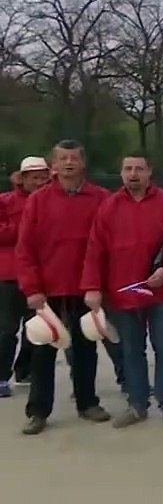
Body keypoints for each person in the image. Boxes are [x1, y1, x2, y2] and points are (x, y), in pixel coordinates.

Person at [82, 152, 163, 428]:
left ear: (149, 172)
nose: (133, 174)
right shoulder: (108, 208)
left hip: (162, 292)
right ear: (121, 173)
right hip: (122, 292)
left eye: (139, 169)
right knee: (131, 350)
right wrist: (92, 287)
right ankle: (137, 404)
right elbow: (95, 250)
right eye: (128, 169)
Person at [14, 140, 113, 435]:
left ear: (83, 163)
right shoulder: (38, 201)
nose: (69, 163)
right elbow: (25, 249)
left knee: (85, 349)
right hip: (47, 289)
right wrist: (32, 289)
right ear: (53, 165)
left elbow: (106, 246)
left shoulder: (101, 199)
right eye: (62, 158)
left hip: (86, 288)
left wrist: (97, 285)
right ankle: (38, 411)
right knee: (42, 351)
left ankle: (87, 403)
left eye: (74, 158)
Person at [0, 156, 49, 397]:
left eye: (43, 177)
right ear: (23, 179)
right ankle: (1, 376)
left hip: (40, 274)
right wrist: (23, 228)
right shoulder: (5, 201)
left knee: (36, 328)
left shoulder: (49, 202)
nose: (39, 182)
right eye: (34, 178)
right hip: (9, 275)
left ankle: (24, 369)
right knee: (7, 329)